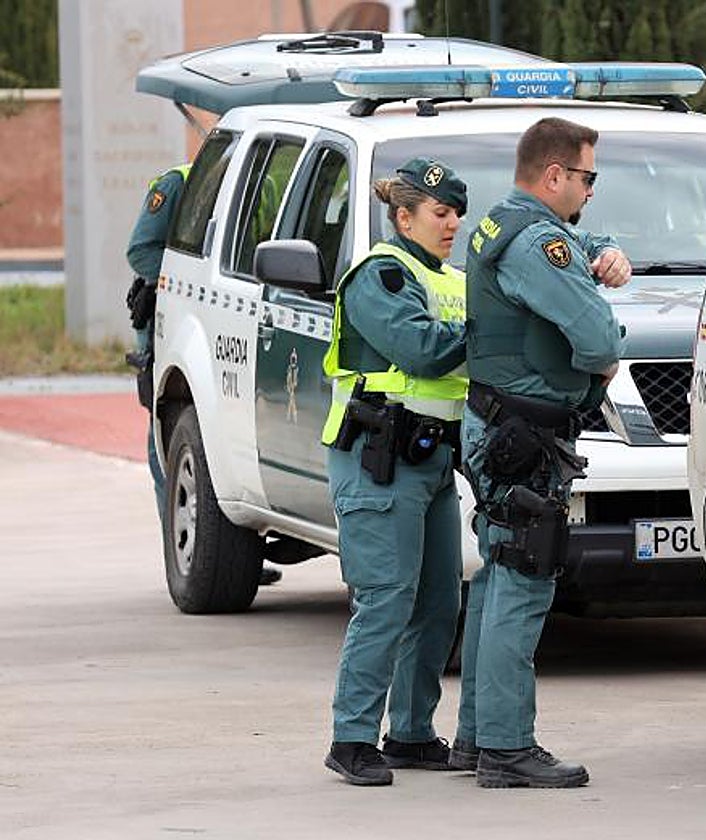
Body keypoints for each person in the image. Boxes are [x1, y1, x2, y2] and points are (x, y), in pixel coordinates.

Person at [452, 117, 631, 789]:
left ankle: (476, 738)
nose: (590, 190)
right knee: (524, 582)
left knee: (499, 574)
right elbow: (599, 338)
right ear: (554, 175)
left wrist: (608, 251)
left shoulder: (508, 223)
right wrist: (597, 373)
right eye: (587, 178)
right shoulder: (538, 243)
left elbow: (580, 244)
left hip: (501, 426)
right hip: (523, 435)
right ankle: (506, 748)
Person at [320, 158, 470, 786]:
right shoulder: (380, 275)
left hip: (430, 459)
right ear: (403, 216)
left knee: (438, 600)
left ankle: (409, 732)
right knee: (385, 599)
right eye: (440, 213)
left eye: (457, 213)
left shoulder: (453, 280)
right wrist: (494, 329)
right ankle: (351, 738)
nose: (452, 224)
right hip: (377, 458)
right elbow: (423, 350)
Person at [125, 165, 284, 586]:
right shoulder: (177, 182)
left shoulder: (264, 182)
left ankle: (227, 550)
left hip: (230, 315)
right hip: (174, 319)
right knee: (175, 436)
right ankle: (188, 558)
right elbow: (141, 251)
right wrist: (192, 278)